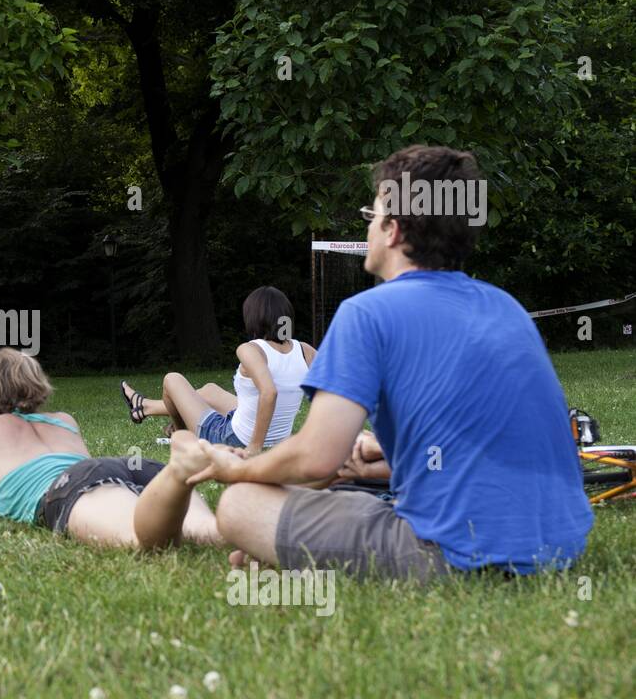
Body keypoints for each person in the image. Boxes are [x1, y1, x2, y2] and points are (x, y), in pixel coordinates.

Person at [188, 145, 592, 581]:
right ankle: (296, 544)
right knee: (345, 485)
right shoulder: (506, 308)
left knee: (241, 503)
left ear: (394, 230)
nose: (369, 227)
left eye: (372, 214)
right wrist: (380, 452)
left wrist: (239, 468)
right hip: (560, 546)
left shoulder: (367, 313)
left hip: (459, 555)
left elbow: (316, 458)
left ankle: (285, 545)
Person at [0, 349, 221, 550]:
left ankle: (180, 468)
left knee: (141, 540)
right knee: (210, 533)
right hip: (123, 469)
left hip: (75, 487)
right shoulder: (63, 420)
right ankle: (179, 470)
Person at [121, 287, 316, 455]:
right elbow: (332, 390)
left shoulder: (251, 349)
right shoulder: (305, 351)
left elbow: (269, 392)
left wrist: (254, 448)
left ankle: (183, 441)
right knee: (209, 390)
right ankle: (146, 406)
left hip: (234, 439)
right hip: (279, 441)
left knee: (172, 380)